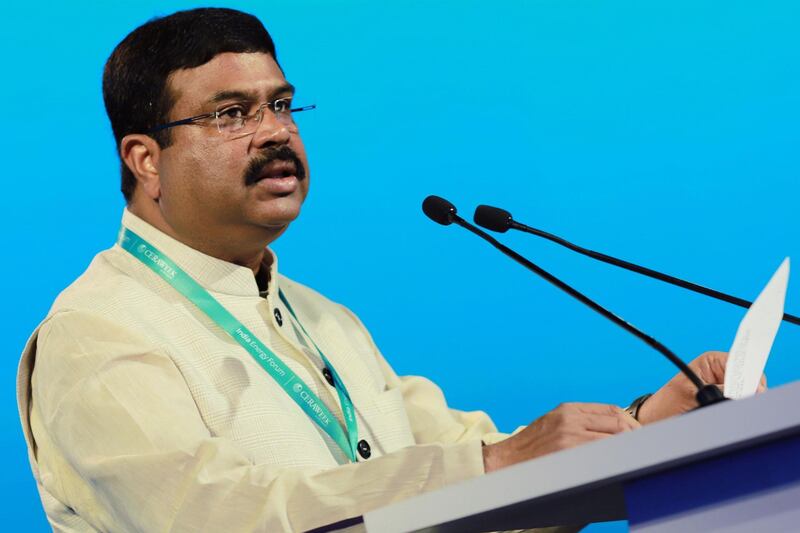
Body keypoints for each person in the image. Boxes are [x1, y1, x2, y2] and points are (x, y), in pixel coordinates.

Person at [16, 7, 741, 532]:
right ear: (146, 160)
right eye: (231, 113)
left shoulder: (325, 319)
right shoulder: (97, 333)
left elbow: (472, 473)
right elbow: (216, 518)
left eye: (281, 104)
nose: (274, 131)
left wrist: (643, 423)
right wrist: (486, 466)